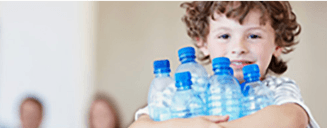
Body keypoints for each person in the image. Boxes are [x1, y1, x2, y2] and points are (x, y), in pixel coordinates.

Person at [129, 1, 320, 128]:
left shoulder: (277, 89)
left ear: (277, 45)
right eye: (225, 36)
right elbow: (140, 125)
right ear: (202, 43)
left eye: (253, 35)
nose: (239, 48)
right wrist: (190, 124)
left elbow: (292, 119)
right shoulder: (189, 90)